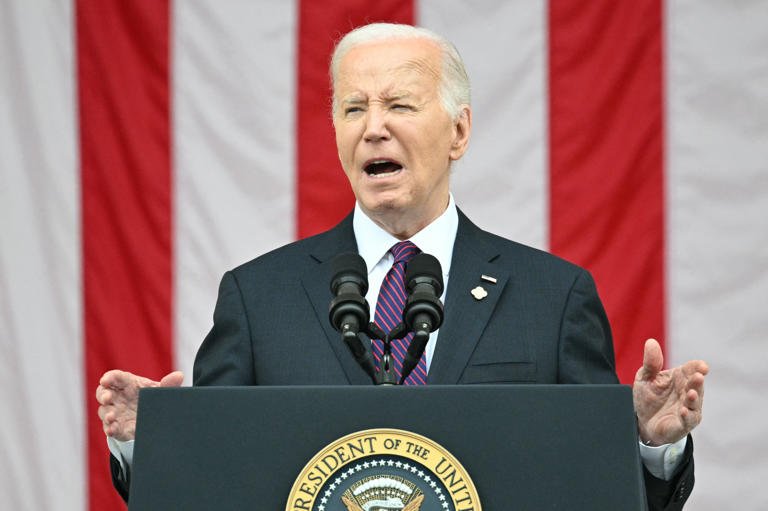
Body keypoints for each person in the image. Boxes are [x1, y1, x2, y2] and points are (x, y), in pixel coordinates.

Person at [96, 23, 708, 509]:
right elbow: (213, 481)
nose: (374, 129)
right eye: (353, 108)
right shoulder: (259, 297)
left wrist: (648, 445)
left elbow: (600, 488)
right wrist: (149, 443)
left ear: (458, 132)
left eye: (400, 105)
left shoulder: (552, 296)